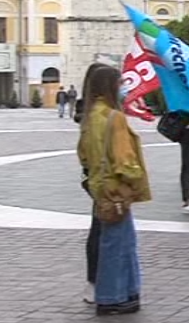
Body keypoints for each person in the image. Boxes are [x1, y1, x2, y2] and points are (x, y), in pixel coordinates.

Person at [77, 66, 151, 315]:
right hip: (117, 190)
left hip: (100, 189)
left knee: (115, 241)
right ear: (111, 87)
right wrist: (135, 179)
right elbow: (124, 160)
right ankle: (111, 297)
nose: (124, 87)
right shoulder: (114, 117)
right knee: (119, 244)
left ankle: (126, 293)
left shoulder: (91, 116)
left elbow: (84, 155)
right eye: (121, 83)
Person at [77, 62, 111, 305]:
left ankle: (98, 281)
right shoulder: (99, 116)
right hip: (103, 180)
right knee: (102, 230)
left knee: (100, 229)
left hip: (94, 177)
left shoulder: (90, 111)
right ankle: (98, 282)